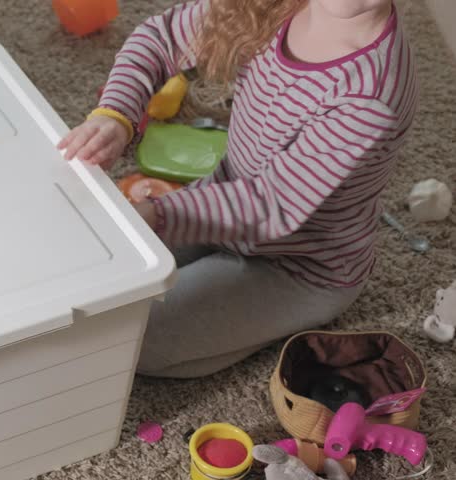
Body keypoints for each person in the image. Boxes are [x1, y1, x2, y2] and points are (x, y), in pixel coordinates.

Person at [58, 0, 417, 378]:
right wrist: (116, 115)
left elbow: (269, 204)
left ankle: (267, 328)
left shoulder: (373, 95)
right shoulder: (269, 5)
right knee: (97, 273)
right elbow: (160, 37)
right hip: (226, 195)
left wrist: (157, 215)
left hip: (298, 266)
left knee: (130, 340)